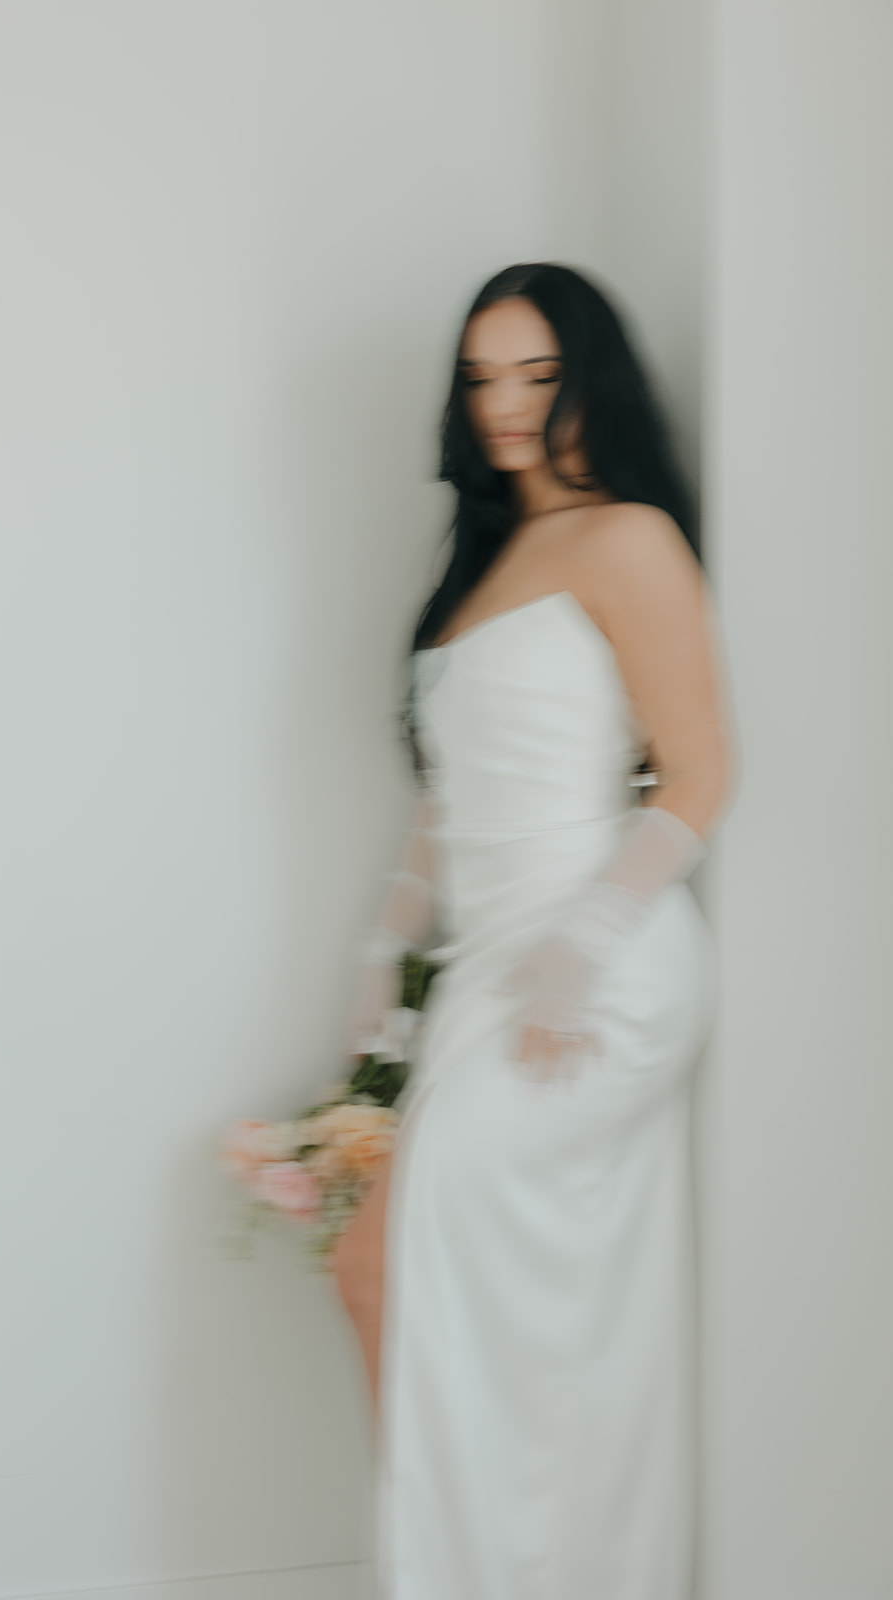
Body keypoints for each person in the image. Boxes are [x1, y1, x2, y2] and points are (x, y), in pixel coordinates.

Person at [331, 262, 736, 1599]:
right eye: (482, 377)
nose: (505, 403)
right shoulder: (487, 559)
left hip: (601, 969)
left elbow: (700, 775)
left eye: (538, 373)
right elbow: (451, 805)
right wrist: (385, 962)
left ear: (591, 379)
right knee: (399, 1273)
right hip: (486, 971)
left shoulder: (631, 538)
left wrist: (586, 947)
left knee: (391, 1254)